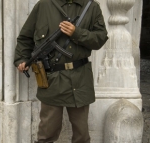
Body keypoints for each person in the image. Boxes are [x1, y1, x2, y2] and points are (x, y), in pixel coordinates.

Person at [14, 0, 108, 142]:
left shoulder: (91, 7)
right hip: (51, 79)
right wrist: (22, 58)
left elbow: (100, 38)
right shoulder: (44, 5)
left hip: (80, 78)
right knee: (46, 133)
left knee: (81, 135)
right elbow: (25, 38)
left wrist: (77, 33)